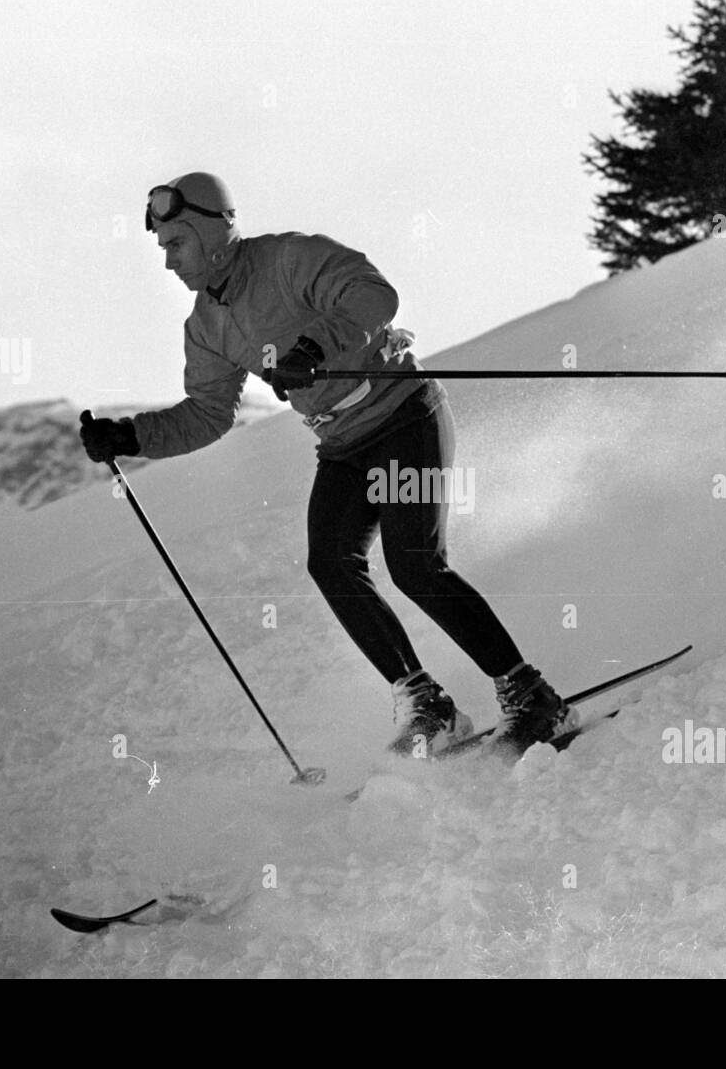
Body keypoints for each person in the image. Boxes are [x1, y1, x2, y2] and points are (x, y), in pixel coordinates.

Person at [80, 172, 574, 758]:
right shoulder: (205, 326)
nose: (168, 262)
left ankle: (531, 696)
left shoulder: (289, 258)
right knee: (331, 564)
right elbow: (209, 414)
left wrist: (313, 349)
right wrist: (133, 434)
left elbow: (373, 293)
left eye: (175, 244)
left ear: (209, 233)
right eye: (163, 248)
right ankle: (429, 706)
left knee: (414, 565)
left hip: (402, 414)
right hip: (342, 444)